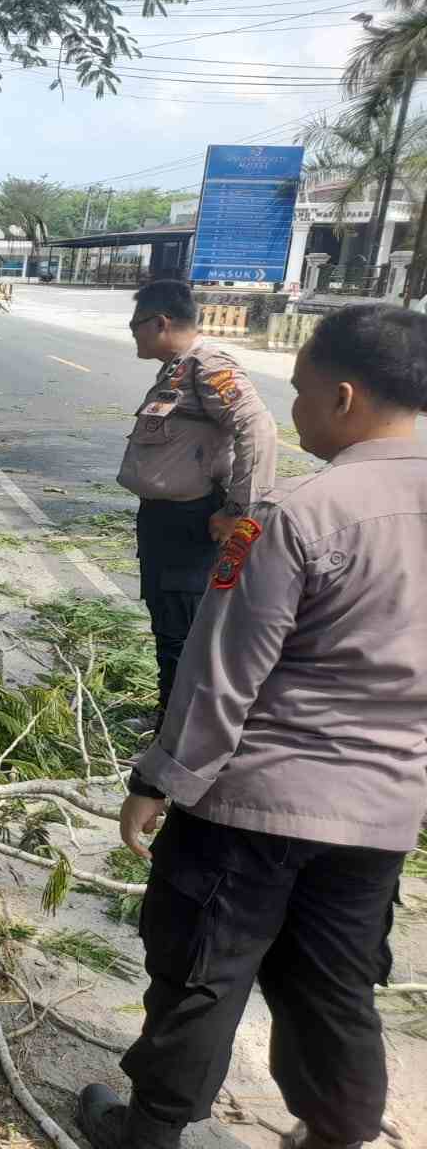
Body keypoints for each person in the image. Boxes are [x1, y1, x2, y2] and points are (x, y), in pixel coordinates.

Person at [78, 304, 427, 1149]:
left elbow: (219, 675)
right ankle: (338, 1132)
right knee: (337, 981)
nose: (293, 412)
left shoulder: (297, 515)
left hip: (253, 803)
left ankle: (151, 1131)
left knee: (203, 969)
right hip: (381, 815)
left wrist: (159, 778)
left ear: (344, 396)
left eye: (301, 392)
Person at [118, 280, 277, 733]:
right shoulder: (175, 369)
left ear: (160, 322)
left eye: (136, 326)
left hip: (190, 523)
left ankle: (176, 729)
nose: (133, 335)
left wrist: (239, 510)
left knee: (181, 630)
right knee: (168, 621)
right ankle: (170, 715)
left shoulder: (207, 367)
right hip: (164, 521)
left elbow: (258, 429)